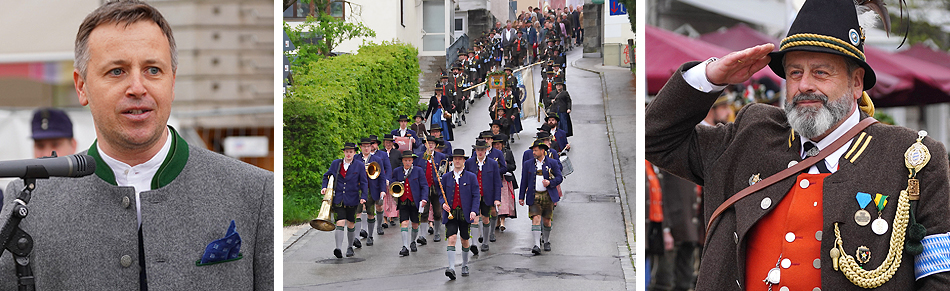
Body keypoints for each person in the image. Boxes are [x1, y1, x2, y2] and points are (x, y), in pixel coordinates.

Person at [645, 0, 950, 289]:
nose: (804, 85)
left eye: (820, 72)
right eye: (795, 73)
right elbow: (655, 138)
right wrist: (710, 77)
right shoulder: (751, 133)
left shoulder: (912, 158)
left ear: (857, 82)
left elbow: (940, 277)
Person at [1, 1, 273, 289]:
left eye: (153, 70)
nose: (138, 87)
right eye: (117, 71)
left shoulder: (255, 193)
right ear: (81, 87)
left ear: (173, 81)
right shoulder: (29, 202)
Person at [439, 149, 481, 279]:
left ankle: (465, 264)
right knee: (451, 239)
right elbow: (442, 194)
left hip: (465, 213)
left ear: (464, 161)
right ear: (452, 161)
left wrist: (474, 211)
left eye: (460, 159)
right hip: (451, 213)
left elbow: (476, 195)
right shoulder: (446, 177)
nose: (457, 161)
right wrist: (442, 203)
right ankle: (451, 267)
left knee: (464, 240)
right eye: (455, 159)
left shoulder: (471, 177)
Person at [519, 139, 563, 255]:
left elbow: (560, 177)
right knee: (536, 218)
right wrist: (521, 196)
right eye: (533, 150)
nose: (533, 152)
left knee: (547, 220)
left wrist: (550, 183)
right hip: (534, 195)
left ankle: (546, 241)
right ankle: (536, 245)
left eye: (536, 150)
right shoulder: (528, 164)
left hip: (548, 195)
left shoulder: (552, 163)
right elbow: (524, 180)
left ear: (542, 151)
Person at [465, 140, 502, 252]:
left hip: (487, 195)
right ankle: (474, 244)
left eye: (482, 150)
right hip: (473, 196)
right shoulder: (469, 163)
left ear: (486, 150)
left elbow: (497, 182)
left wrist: (497, 199)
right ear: (475, 150)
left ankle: (485, 242)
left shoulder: (493, 163)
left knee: (486, 219)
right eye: (478, 150)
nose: (480, 152)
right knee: (474, 218)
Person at [391, 150, 429, 256]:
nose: (407, 162)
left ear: (412, 161)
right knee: (404, 222)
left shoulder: (418, 171)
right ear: (402, 161)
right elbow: (392, 182)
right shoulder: (398, 171)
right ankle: (405, 246)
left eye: (409, 160)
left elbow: (424, 186)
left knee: (415, 224)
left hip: (415, 201)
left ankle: (412, 241)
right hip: (403, 201)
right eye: (405, 160)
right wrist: (396, 184)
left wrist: (424, 198)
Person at [354, 138, 388, 247]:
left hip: (372, 188)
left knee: (370, 213)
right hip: (358, 189)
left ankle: (370, 236)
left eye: (368, 146)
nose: (366, 148)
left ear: (371, 147)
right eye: (364, 146)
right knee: (357, 213)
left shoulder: (377, 159)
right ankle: (356, 237)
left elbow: (382, 176)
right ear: (361, 147)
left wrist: (382, 190)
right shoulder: (356, 158)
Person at [414, 136, 448, 244]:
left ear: (435, 145)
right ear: (425, 144)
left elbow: (446, 173)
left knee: (438, 212)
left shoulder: (441, 157)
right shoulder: (419, 157)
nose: (431, 145)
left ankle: (437, 233)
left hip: (437, 188)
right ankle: (422, 235)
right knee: (424, 212)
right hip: (424, 189)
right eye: (429, 143)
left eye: (433, 143)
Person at [492, 134, 518, 231]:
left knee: (505, 201)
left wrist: (505, 166)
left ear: (502, 144)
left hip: (505, 180)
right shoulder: (491, 154)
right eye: (495, 144)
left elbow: (513, 166)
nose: (497, 146)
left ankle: (502, 221)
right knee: (496, 200)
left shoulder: (508, 153)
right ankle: (498, 221)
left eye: (498, 144)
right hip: (494, 180)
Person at [382, 134, 402, 227]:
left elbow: (400, 165)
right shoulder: (381, 152)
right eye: (387, 142)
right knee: (384, 199)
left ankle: (392, 217)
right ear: (384, 143)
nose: (388, 144)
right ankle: (385, 219)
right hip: (383, 178)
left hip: (394, 178)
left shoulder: (397, 153)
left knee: (394, 199)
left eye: (390, 142)